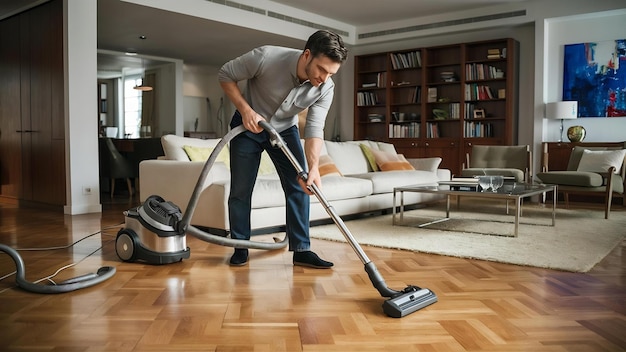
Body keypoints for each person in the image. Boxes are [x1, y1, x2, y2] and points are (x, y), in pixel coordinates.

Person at [218, 30, 348, 268]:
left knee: (300, 185)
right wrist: (246, 110)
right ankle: (241, 247)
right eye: (321, 69)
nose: (324, 78)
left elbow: (314, 129)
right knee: (241, 190)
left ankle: (301, 250)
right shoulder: (265, 57)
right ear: (307, 55)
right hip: (248, 126)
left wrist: (314, 168)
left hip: (284, 131)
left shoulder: (326, 88)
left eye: (331, 73)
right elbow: (225, 74)